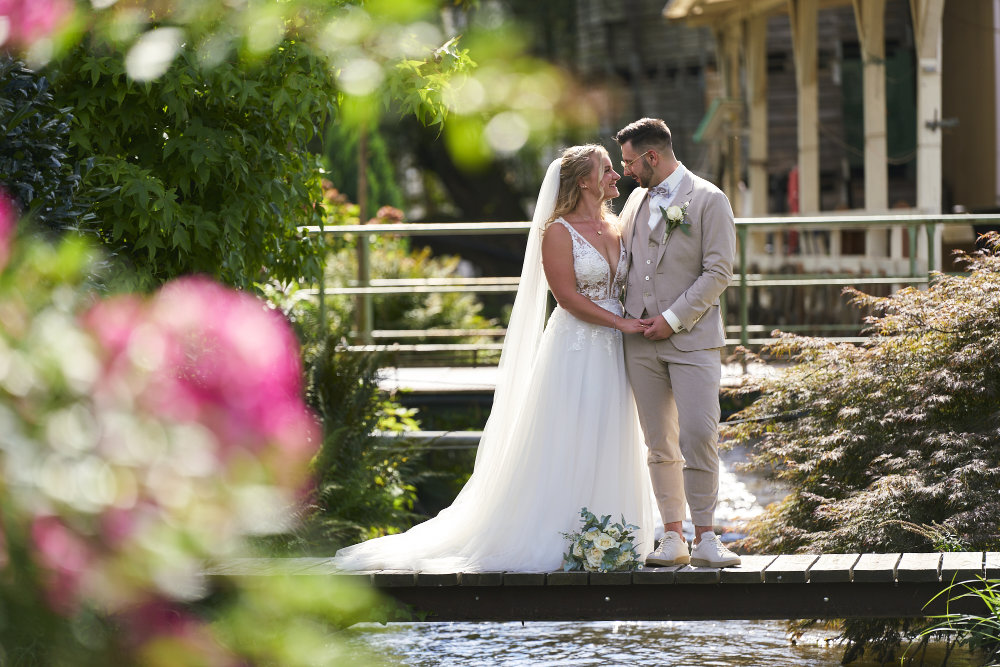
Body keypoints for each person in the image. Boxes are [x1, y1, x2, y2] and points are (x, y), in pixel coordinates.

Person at [333, 145, 659, 573]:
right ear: (583, 181)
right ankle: (562, 534)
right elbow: (566, 297)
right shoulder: (557, 232)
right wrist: (621, 324)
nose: (617, 176)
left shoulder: (618, 226)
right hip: (577, 347)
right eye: (607, 169)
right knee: (569, 434)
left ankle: (610, 534)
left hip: (617, 346)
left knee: (613, 431)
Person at [613, 118, 741, 568]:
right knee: (658, 442)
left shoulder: (709, 199)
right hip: (639, 340)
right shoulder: (634, 200)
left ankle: (706, 537)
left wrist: (672, 319)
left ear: (652, 156)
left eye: (630, 162)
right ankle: (672, 537)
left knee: (700, 434)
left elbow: (719, 271)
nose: (625, 171)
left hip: (693, 339)